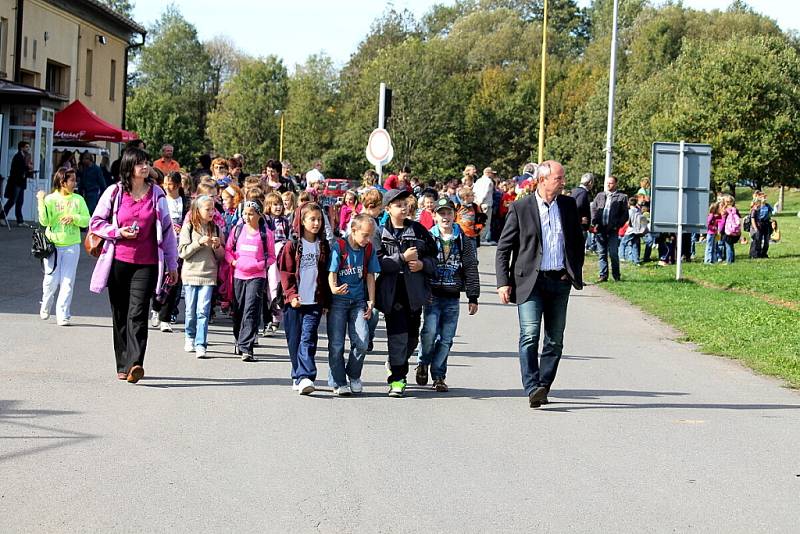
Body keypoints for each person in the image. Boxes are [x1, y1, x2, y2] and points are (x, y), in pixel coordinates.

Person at [495, 160, 584, 408]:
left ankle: (543, 385)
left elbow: (577, 241)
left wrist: (573, 271)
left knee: (555, 339)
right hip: (529, 282)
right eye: (559, 178)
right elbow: (504, 248)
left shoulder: (568, 205)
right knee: (530, 335)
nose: (563, 182)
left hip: (559, 281)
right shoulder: (521, 207)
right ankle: (532, 386)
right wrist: (503, 282)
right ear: (543, 180)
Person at [89, 147, 178, 383]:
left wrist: (172, 263)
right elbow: (95, 223)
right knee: (120, 314)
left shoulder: (157, 194)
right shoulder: (114, 192)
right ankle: (123, 363)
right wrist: (117, 232)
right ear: (129, 167)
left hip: (146, 264)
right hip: (118, 262)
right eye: (139, 163)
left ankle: (136, 363)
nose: (145, 166)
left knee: (138, 313)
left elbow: (168, 232)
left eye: (146, 162)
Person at [375, 189, 436, 398]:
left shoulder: (419, 231)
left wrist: (422, 264)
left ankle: (395, 362)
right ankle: (397, 380)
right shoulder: (380, 233)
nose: (403, 207)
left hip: (414, 293)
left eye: (404, 203)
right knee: (397, 337)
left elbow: (434, 259)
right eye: (397, 204)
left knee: (411, 338)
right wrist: (402, 257)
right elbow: (378, 263)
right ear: (387, 209)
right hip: (392, 293)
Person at [416, 198, 480, 392]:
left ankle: (439, 376)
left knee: (446, 338)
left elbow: (470, 267)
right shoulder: (427, 238)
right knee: (429, 333)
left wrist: (473, 296)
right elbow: (420, 267)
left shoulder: (464, 240)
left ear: (455, 215)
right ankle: (423, 362)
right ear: (434, 216)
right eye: (441, 213)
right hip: (432, 295)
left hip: (452, 296)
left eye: (449, 213)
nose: (445, 217)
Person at [279, 202, 332, 395]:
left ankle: (305, 376)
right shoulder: (291, 246)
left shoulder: (323, 246)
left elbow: (326, 274)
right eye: (312, 219)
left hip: (314, 302)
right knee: (294, 340)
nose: (316, 223)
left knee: (308, 338)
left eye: (319, 219)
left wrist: (325, 301)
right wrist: (292, 295)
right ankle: (297, 375)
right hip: (295, 302)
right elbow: (285, 273)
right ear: (301, 221)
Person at [326, 213, 380, 396]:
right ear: (354, 230)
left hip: (358, 302)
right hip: (339, 302)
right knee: (336, 344)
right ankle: (338, 381)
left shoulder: (368, 249)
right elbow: (332, 271)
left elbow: (371, 275)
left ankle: (354, 375)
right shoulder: (339, 246)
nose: (368, 239)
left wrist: (371, 301)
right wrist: (333, 288)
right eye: (365, 235)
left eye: (371, 235)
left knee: (363, 341)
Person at [36, 167, 90, 326]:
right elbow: (44, 222)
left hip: (71, 245)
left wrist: (74, 217)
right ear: (62, 182)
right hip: (52, 246)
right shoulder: (50, 199)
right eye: (72, 180)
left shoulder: (78, 199)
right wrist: (40, 200)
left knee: (67, 282)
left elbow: (87, 220)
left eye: (75, 179)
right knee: (51, 280)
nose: (75, 182)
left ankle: (63, 314)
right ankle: (46, 302)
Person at [225, 199, 276, 361]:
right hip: (239, 275)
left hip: (257, 277)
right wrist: (233, 262)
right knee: (238, 310)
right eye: (245, 213)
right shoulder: (237, 229)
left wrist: (260, 265)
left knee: (251, 310)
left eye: (250, 214)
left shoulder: (265, 234)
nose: (246, 217)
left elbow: (272, 257)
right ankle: (239, 340)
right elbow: (228, 250)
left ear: (259, 215)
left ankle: (247, 347)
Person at [179, 196, 224, 358]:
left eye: (213, 209)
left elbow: (221, 256)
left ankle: (201, 343)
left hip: (209, 276)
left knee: (203, 311)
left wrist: (217, 246)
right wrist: (199, 243)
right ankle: (189, 337)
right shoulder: (188, 227)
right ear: (198, 210)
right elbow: (183, 252)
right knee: (191, 310)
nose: (212, 212)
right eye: (208, 209)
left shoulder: (217, 229)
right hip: (191, 275)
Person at [590, 176, 628, 282]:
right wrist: (594, 221)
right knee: (602, 253)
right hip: (601, 228)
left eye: (611, 183)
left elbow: (625, 214)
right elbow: (594, 208)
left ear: (615, 184)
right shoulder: (600, 195)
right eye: (607, 183)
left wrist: (617, 224)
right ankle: (603, 275)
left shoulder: (622, 197)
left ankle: (616, 275)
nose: (608, 185)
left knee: (613, 253)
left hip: (613, 229)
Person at [263, 192, 291, 336]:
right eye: (275, 204)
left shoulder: (285, 221)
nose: (278, 207)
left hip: (282, 254)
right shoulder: (265, 220)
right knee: (270, 286)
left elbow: (289, 236)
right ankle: (271, 316)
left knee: (279, 285)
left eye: (280, 204)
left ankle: (277, 316)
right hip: (269, 254)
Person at [4, 141, 33, 226]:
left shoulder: (24, 157)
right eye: (26, 147)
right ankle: (2, 216)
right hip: (16, 182)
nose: (28, 149)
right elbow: (18, 170)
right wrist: (27, 168)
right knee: (12, 200)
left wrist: (29, 170)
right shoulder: (18, 157)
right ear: (22, 148)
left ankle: (20, 221)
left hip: (21, 183)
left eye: (28, 147)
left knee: (20, 202)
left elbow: (24, 170)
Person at [77, 152, 108, 226]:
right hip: (85, 192)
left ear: (89, 159)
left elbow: (102, 183)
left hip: (93, 193)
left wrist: (102, 195)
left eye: (85, 159)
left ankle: (92, 225)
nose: (83, 161)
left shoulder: (96, 169)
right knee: (84, 210)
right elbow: (82, 181)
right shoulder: (84, 169)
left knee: (90, 210)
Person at [473, 167, 496, 245]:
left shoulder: (478, 181)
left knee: (479, 221)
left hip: (477, 203)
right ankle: (482, 239)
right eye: (492, 173)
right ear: (488, 173)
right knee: (485, 222)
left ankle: (479, 237)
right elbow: (485, 192)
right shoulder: (488, 181)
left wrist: (476, 202)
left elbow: (474, 192)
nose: (493, 175)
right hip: (486, 204)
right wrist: (480, 201)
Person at [571, 173, 594, 249]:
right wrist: (580, 219)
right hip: (580, 228)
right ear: (590, 182)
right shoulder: (583, 193)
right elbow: (578, 206)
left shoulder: (574, 191)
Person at [749, 191, 773, 259]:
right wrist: (755, 227)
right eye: (763, 197)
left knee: (766, 240)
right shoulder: (756, 207)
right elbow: (753, 217)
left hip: (766, 224)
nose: (765, 198)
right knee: (757, 240)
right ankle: (756, 254)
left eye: (765, 197)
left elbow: (772, 213)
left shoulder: (768, 206)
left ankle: (764, 253)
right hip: (758, 224)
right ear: (759, 198)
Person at [720, 194, 741, 264]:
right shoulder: (735, 210)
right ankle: (732, 259)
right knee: (731, 245)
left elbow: (722, 221)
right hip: (735, 230)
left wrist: (720, 230)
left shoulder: (725, 210)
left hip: (727, 231)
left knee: (728, 245)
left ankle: (728, 261)